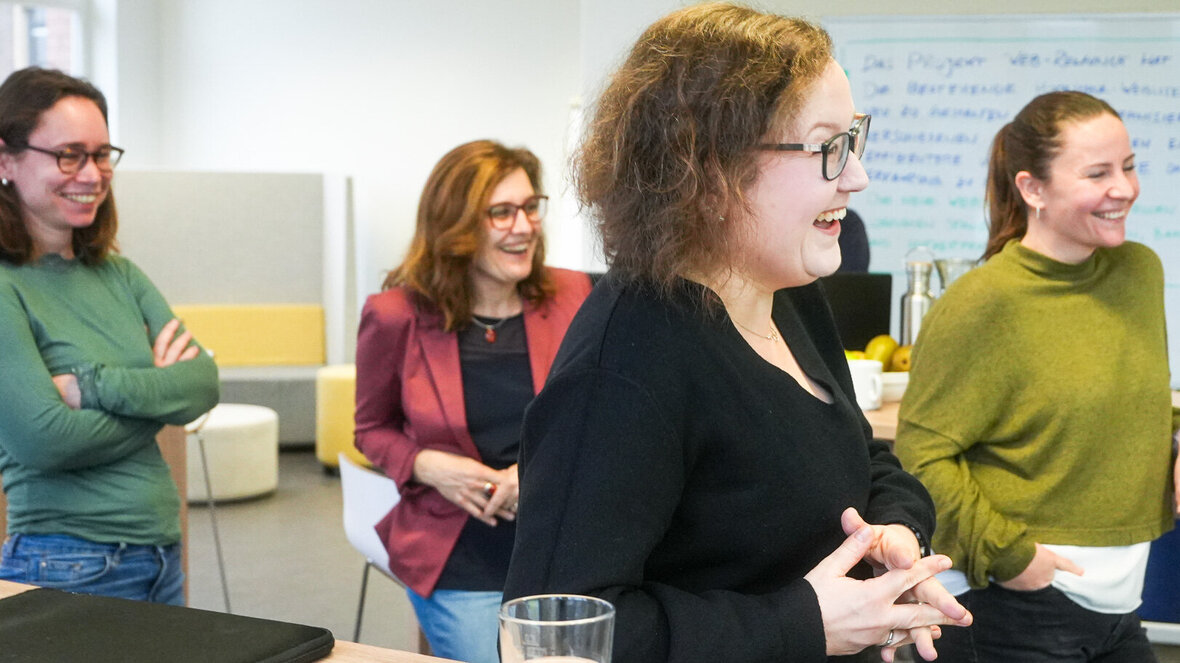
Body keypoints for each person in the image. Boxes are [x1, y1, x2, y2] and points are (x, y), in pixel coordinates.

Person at [501, 5, 971, 663]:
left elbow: (861, 458)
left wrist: (894, 532)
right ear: (709, 169)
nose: (857, 176)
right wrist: (801, 622)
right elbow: (553, 634)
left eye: (853, 139)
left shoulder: (792, 297)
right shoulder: (625, 366)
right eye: (827, 148)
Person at [894, 90, 1180, 661]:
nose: (1124, 188)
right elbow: (921, 456)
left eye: (1128, 167)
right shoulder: (982, 303)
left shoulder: (1138, 272)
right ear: (1032, 189)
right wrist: (1011, 557)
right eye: (1097, 173)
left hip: (1120, 602)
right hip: (1012, 607)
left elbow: (1131, 395)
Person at [353, 140, 593, 663]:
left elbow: (600, 417)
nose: (524, 226)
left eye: (530, 207)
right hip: (459, 558)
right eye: (501, 213)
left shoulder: (574, 294)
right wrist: (427, 465)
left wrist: (536, 473)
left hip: (568, 549)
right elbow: (370, 429)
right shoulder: (395, 315)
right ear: (456, 226)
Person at [0, 67, 219, 605]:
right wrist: (158, 400)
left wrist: (88, 387)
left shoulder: (120, 274)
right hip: (64, 563)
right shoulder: (7, 285)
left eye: (101, 155)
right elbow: (46, 440)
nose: (92, 174)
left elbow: (202, 384)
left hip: (160, 555)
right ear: (6, 161)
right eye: (68, 155)